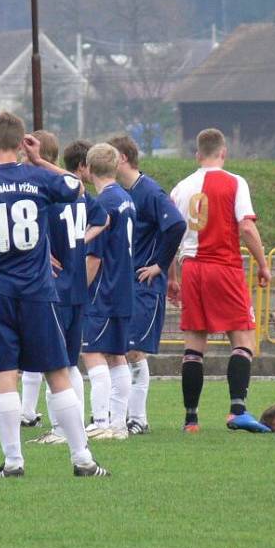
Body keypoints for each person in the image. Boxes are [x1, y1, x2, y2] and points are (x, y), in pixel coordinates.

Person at [0, 112, 109, 477]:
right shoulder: (36, 177)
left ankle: (14, 462)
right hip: (37, 290)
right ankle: (82, 459)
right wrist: (40, 161)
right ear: (21, 143)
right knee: (57, 373)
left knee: (6, 374)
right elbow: (77, 188)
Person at [169, 128, 271, 433]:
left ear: (198, 155)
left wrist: (173, 278)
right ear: (223, 153)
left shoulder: (180, 188)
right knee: (242, 339)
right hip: (223, 266)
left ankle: (191, 420)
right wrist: (263, 264)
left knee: (194, 345)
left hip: (191, 269)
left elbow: (173, 238)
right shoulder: (235, 183)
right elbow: (247, 229)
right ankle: (237, 410)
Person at [26, 137, 109, 445]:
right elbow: (104, 219)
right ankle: (75, 427)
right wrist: (80, 242)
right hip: (77, 288)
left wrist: (44, 247)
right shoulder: (79, 195)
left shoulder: (46, 196)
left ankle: (61, 429)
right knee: (70, 363)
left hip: (56, 289)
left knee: (55, 363)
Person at [112, 135, 185, 435]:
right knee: (120, 349)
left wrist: (160, 265)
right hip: (125, 284)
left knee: (133, 350)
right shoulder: (120, 192)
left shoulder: (150, 191)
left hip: (145, 285)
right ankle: (122, 415)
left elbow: (177, 225)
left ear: (123, 159)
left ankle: (138, 418)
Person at [82, 143, 137, 441]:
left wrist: (80, 290)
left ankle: (101, 420)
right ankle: (119, 423)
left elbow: (94, 257)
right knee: (117, 356)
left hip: (104, 289)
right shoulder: (127, 199)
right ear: (116, 167)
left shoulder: (100, 204)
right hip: (125, 288)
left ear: (89, 170)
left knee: (92, 352)